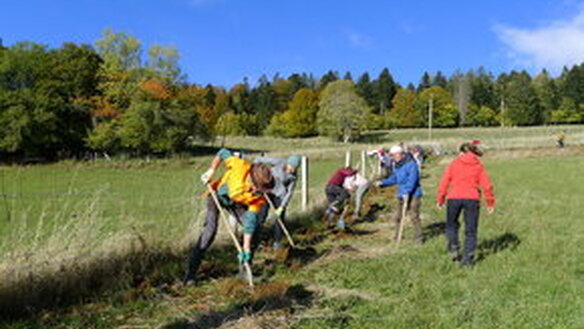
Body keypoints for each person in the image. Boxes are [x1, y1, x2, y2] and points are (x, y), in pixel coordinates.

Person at [184, 148, 274, 285]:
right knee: (210, 232)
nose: (260, 193)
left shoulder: (258, 196)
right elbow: (222, 152)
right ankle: (190, 274)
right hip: (217, 196)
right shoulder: (239, 166)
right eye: (259, 190)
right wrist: (211, 171)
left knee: (255, 229)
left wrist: (246, 248)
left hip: (236, 203)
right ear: (252, 181)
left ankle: (244, 271)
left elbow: (250, 221)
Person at [436, 140, 495, 267]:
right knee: (471, 231)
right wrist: (490, 202)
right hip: (472, 199)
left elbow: (444, 182)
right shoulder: (478, 165)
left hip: (453, 198)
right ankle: (467, 260)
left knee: (451, 225)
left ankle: (453, 246)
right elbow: (487, 186)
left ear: (462, 152)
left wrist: (440, 199)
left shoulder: (454, 164)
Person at [376, 145, 424, 243]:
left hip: (414, 193)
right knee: (398, 216)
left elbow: (413, 179)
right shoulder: (397, 165)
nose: (392, 158)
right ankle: (397, 236)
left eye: (393, 155)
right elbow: (395, 178)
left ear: (399, 154)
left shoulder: (411, 164)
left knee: (414, 215)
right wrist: (382, 183)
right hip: (401, 193)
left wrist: (407, 191)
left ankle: (419, 237)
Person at [254, 154, 301, 250]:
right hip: (267, 190)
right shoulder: (280, 161)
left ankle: (277, 242)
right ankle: (256, 241)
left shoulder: (294, 176)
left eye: (295, 168)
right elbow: (261, 159)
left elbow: (289, 193)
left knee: (280, 218)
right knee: (261, 216)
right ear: (287, 163)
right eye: (291, 167)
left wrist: (282, 207)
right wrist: (256, 168)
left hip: (279, 195)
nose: (292, 170)